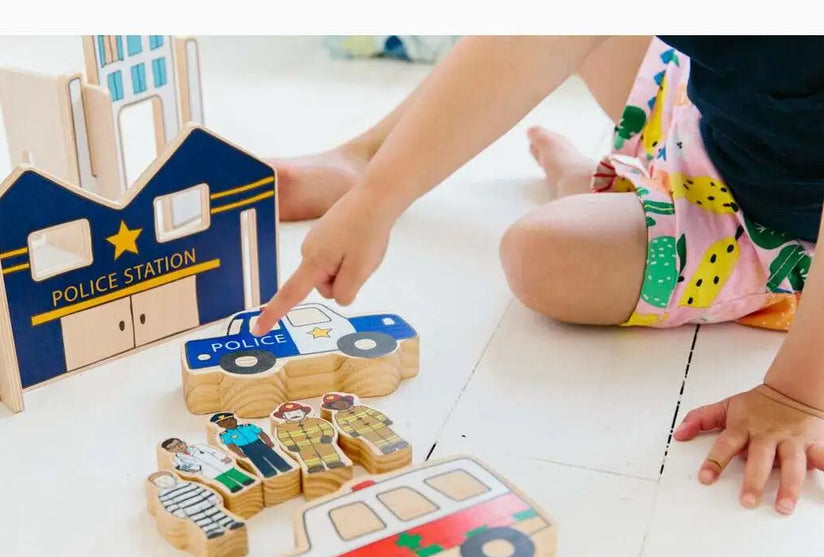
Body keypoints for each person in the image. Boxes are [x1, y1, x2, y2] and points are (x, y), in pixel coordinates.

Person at [252, 37, 824, 514]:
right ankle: (364, 156)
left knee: (541, 256)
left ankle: (604, 186)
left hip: (776, 231)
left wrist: (796, 396)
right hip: (713, 124)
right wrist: (379, 194)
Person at [147, 472, 244, 539]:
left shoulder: (187, 484)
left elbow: (202, 491)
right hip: (191, 512)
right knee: (202, 521)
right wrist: (179, 513)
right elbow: (170, 505)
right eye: (159, 482)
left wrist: (212, 498)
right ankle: (212, 531)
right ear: (157, 485)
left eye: (165, 479)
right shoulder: (163, 494)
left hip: (205, 503)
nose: (164, 482)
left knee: (217, 514)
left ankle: (230, 523)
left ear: (172, 477)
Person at [210, 412, 294, 479]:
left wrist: (268, 442)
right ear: (220, 425)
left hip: (259, 443)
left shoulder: (248, 426)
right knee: (258, 461)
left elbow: (261, 433)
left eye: (230, 420)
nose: (229, 423)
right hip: (246, 448)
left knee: (272, 455)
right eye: (224, 423)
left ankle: (284, 467)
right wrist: (238, 452)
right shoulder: (224, 435)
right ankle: (269, 473)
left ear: (235, 419)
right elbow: (231, 445)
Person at [320, 393, 409, 455]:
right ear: (333, 407)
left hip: (379, 425)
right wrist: (351, 432)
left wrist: (384, 419)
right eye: (336, 405)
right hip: (364, 431)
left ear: (347, 401)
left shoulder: (361, 407)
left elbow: (374, 413)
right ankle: (385, 447)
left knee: (389, 434)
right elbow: (344, 425)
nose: (340, 405)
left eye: (342, 402)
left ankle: (399, 442)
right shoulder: (339, 416)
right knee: (375, 440)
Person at [271, 402, 348, 473]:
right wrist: (290, 445)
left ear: (304, 412)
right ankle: (315, 466)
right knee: (308, 456)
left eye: (298, 412)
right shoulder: (282, 427)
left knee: (328, 451)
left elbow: (326, 427)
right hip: (302, 446)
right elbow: (284, 437)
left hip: (322, 441)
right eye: (290, 414)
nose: (295, 415)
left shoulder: (316, 420)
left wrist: (327, 436)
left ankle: (334, 462)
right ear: (284, 416)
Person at [160, 437, 256, 493]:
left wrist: (223, 457)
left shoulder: (199, 447)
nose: (178, 447)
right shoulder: (177, 460)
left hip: (220, 463)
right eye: (173, 447)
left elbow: (213, 451)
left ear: (184, 442)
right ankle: (233, 487)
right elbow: (185, 468)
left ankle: (246, 480)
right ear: (170, 451)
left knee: (232, 472)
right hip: (208, 472)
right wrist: (196, 468)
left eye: (178, 444)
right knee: (222, 479)